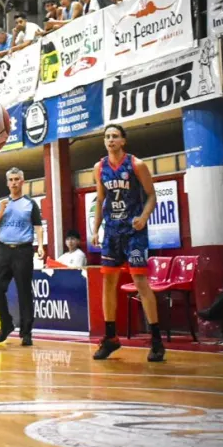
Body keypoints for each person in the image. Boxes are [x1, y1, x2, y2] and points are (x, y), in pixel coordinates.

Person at [92, 124, 164, 362]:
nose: (110, 140)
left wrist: (143, 217)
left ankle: (156, 341)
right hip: (111, 231)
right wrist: (95, 229)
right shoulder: (99, 167)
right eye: (107, 137)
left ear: (123, 141)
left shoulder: (136, 164)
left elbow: (152, 195)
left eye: (114, 136)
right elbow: (101, 200)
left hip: (134, 231)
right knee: (108, 283)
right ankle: (111, 337)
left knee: (141, 282)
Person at [0, 167, 44, 346]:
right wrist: (1, 211)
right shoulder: (0, 203)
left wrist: (40, 246)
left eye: (16, 179)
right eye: (10, 180)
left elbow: (38, 227)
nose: (13, 183)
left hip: (23, 250)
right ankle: (6, 325)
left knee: (24, 291)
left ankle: (26, 332)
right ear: (7, 183)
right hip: (4, 250)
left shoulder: (30, 204)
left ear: (22, 182)